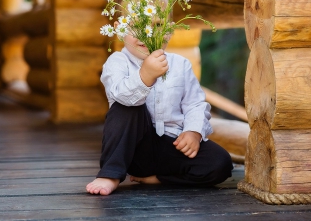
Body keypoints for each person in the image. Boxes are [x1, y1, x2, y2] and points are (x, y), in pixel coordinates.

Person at [86, 22, 233, 196]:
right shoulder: (117, 62)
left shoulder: (180, 64)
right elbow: (119, 94)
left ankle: (159, 178)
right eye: (135, 25)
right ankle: (110, 175)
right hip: (133, 150)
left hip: (173, 144)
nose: (145, 33)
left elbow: (195, 104)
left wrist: (194, 131)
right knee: (127, 105)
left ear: (169, 30)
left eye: (156, 24)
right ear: (120, 29)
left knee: (220, 163)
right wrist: (145, 76)